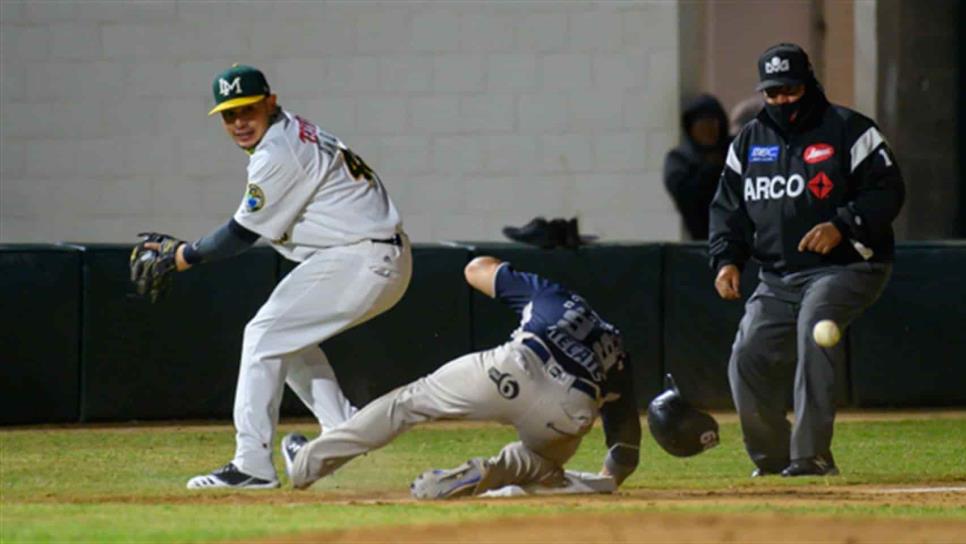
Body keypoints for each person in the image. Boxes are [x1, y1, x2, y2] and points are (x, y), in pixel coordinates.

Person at [143, 64, 412, 489]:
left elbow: (240, 234)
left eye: (248, 109)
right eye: (229, 115)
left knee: (264, 336)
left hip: (360, 257)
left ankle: (252, 464)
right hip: (364, 255)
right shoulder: (289, 132)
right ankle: (343, 430)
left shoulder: (279, 151)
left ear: (270, 101)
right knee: (286, 340)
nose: (239, 122)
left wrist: (182, 256)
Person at [280, 256, 641, 498]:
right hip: (570, 409)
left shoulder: (554, 296)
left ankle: (306, 465)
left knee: (408, 404)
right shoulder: (618, 350)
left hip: (516, 367)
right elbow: (625, 451)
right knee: (540, 464)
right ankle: (483, 475)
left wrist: (504, 272)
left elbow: (474, 270)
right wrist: (609, 479)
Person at [709, 44, 904, 477]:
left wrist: (844, 224)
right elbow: (727, 210)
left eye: (790, 90)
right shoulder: (748, 143)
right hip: (777, 276)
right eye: (772, 93)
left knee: (816, 328)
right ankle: (772, 457)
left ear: (808, 83)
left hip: (848, 266)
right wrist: (726, 260)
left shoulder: (849, 130)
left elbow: (887, 190)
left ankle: (811, 455)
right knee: (747, 353)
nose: (782, 101)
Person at [663, 94, 731, 240]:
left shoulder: (735, 151)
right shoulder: (680, 159)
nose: (707, 130)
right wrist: (709, 170)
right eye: (701, 124)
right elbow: (686, 196)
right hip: (702, 241)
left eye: (711, 123)